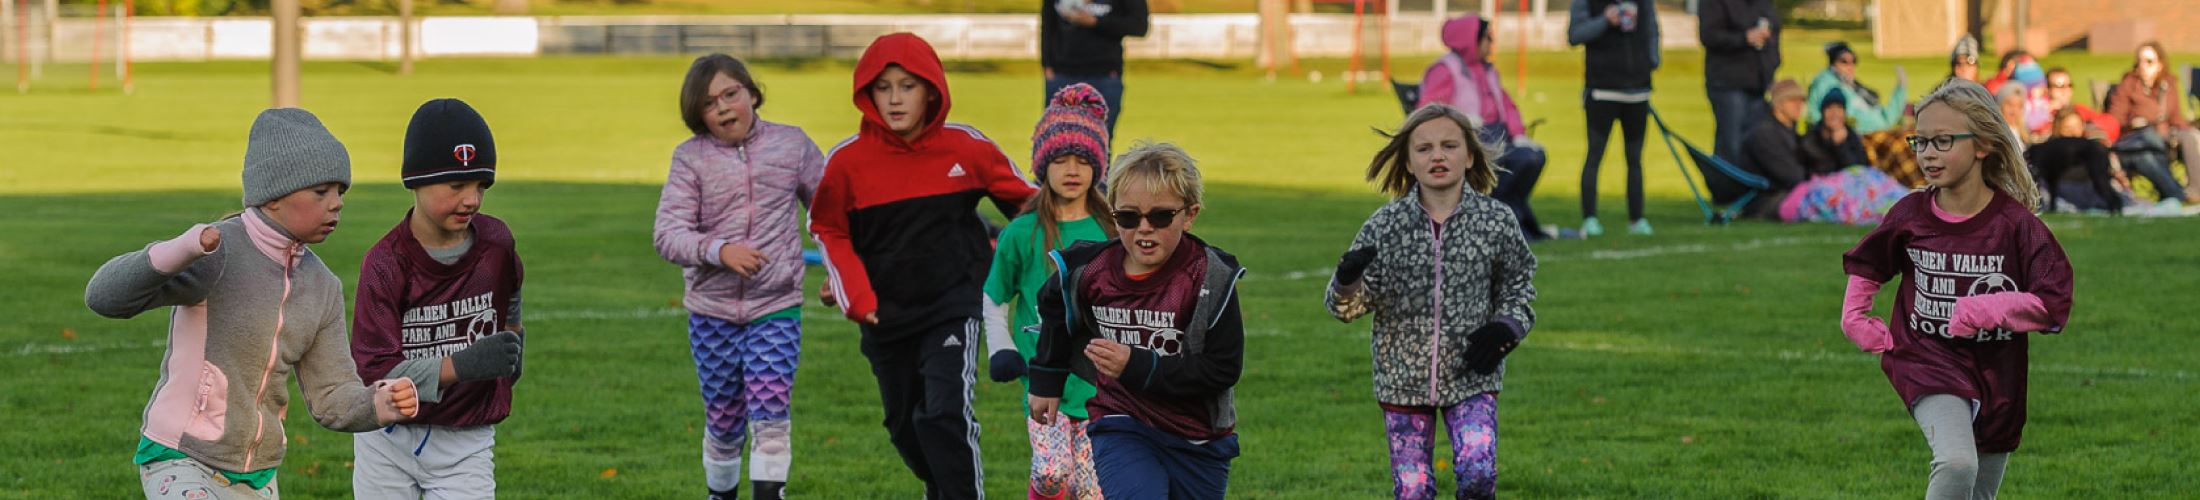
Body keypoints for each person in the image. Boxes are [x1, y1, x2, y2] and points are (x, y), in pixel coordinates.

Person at [86, 108, 420, 499]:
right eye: (321, 191)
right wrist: (183, 248)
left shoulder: (323, 286)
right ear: (274, 195)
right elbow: (104, 297)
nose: (337, 204)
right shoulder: (217, 253)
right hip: (181, 456)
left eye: (340, 192)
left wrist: (378, 401)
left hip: (257, 476)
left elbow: (331, 396)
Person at [810, 33, 1039, 500]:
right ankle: (941, 487)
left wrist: (1072, 235)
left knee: (945, 415)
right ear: (867, 94)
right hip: (884, 315)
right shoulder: (846, 163)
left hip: (953, 303)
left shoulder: (968, 148)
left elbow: (1029, 205)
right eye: (884, 87)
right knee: (905, 427)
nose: (895, 99)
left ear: (931, 90)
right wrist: (854, 293)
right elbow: (827, 229)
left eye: (908, 86)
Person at [1840, 78, 2073, 500]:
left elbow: (2053, 301)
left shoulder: (2017, 226)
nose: (1928, 153)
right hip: (1926, 358)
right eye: (1921, 141)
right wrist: (1855, 318)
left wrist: (1989, 309)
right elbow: (1869, 262)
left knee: (1979, 491)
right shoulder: (1911, 214)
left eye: (1943, 141)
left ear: (1983, 144)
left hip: (1998, 371)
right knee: (1956, 463)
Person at [1325, 104, 1537, 500]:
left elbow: (1519, 287)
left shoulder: (1496, 221)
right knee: (1413, 490)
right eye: (1423, 149)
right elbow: (1344, 309)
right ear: (1407, 161)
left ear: (1469, 154)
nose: (1437, 156)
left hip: (1473, 375)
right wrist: (1347, 281)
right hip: (1401, 382)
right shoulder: (1385, 226)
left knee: (1478, 472)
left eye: (1449, 145)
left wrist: (1507, 327)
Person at [1028, 141, 1245, 500]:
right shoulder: (1089, 269)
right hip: (1121, 420)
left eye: (1160, 217)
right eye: (1128, 217)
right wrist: (1047, 377)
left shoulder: (1210, 277)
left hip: (1198, 436)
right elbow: (1055, 302)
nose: (1144, 229)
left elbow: (1223, 369)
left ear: (1189, 215)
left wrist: (1136, 364)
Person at [652, 54, 826, 500]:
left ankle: (770, 494)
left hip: (776, 307)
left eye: (731, 93)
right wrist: (719, 251)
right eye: (710, 103)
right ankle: (721, 494)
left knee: (770, 411)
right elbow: (667, 235)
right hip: (712, 313)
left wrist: (837, 271)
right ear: (697, 114)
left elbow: (829, 213)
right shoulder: (690, 159)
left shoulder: (792, 146)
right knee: (725, 419)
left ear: (751, 92)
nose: (725, 107)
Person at [349, 98, 527, 500]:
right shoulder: (385, 264)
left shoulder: (496, 242)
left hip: (466, 438)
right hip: (388, 438)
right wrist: (460, 366)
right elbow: (374, 370)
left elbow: (511, 287)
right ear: (416, 181)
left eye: (481, 185)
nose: (472, 200)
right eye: (457, 185)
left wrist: (514, 339)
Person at [982, 83, 1117, 500]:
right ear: (1042, 165)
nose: (1072, 170)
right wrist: (1000, 348)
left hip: (1103, 385)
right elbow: (994, 297)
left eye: (1082, 159)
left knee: (1094, 490)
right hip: (1044, 385)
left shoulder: (1114, 230)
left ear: (1098, 165)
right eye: (1060, 159)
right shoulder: (1022, 233)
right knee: (1053, 475)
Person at [1418, 15, 1553, 241]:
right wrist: (1460, 120)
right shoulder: (1445, 70)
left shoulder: (1488, 70)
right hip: (1468, 140)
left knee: (1533, 157)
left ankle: (1504, 220)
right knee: (1517, 161)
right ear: (1472, 40)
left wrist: (1519, 134)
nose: (1492, 44)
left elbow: (1507, 106)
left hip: (1498, 137)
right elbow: (1428, 109)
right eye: (1488, 38)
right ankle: (1503, 223)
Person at [1568, 0, 1660, 236]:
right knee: (1595, 155)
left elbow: (1652, 29)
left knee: (1635, 159)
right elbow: (1575, 34)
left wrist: (1651, 62)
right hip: (1602, 91)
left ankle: (1637, 219)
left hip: (1637, 91)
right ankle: (1590, 219)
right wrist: (1605, 21)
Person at [2105, 41, 2199, 207]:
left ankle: (2195, 191)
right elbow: (2115, 117)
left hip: (2166, 135)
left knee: (2191, 136)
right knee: (2149, 135)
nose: (2143, 66)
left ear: (2160, 65)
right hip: (2138, 137)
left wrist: (2188, 129)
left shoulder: (2168, 84)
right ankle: (2175, 192)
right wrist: (2133, 123)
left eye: (2149, 62)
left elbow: (2176, 117)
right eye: (2140, 61)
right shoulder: (2128, 85)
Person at [1040, 0, 1149, 138]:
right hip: (1062, 76)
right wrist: (1047, 66)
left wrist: (1096, 22)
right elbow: (1048, 26)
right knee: (1056, 142)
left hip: (1104, 76)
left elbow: (1139, 26)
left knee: (1099, 143)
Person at [1698, 0, 1782, 164]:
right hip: (1728, 83)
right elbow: (1709, 35)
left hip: (1758, 84)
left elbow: (1775, 30)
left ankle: (1751, 188)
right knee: (1731, 145)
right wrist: (1744, 38)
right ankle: (1728, 187)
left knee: (1757, 144)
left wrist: (1771, 66)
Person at [2027, 109, 2129, 214]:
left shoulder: (2091, 147)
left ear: (2083, 127)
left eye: (2077, 127)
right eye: (2068, 128)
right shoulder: (2045, 149)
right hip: (2067, 198)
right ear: (2057, 129)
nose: (2073, 132)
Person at [1737, 79, 1809, 219]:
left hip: (1785, 194)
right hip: (1766, 202)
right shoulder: (1764, 134)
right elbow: (1792, 176)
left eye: (1801, 100)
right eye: (1792, 100)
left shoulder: (1788, 130)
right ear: (1778, 104)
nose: (1799, 105)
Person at [1801, 89, 1871, 176]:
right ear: (1822, 112)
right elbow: (1823, 170)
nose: (1834, 113)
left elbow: (1859, 170)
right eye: (1829, 108)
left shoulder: (1852, 136)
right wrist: (1837, 145)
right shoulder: (1811, 139)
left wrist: (1841, 146)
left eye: (1839, 108)